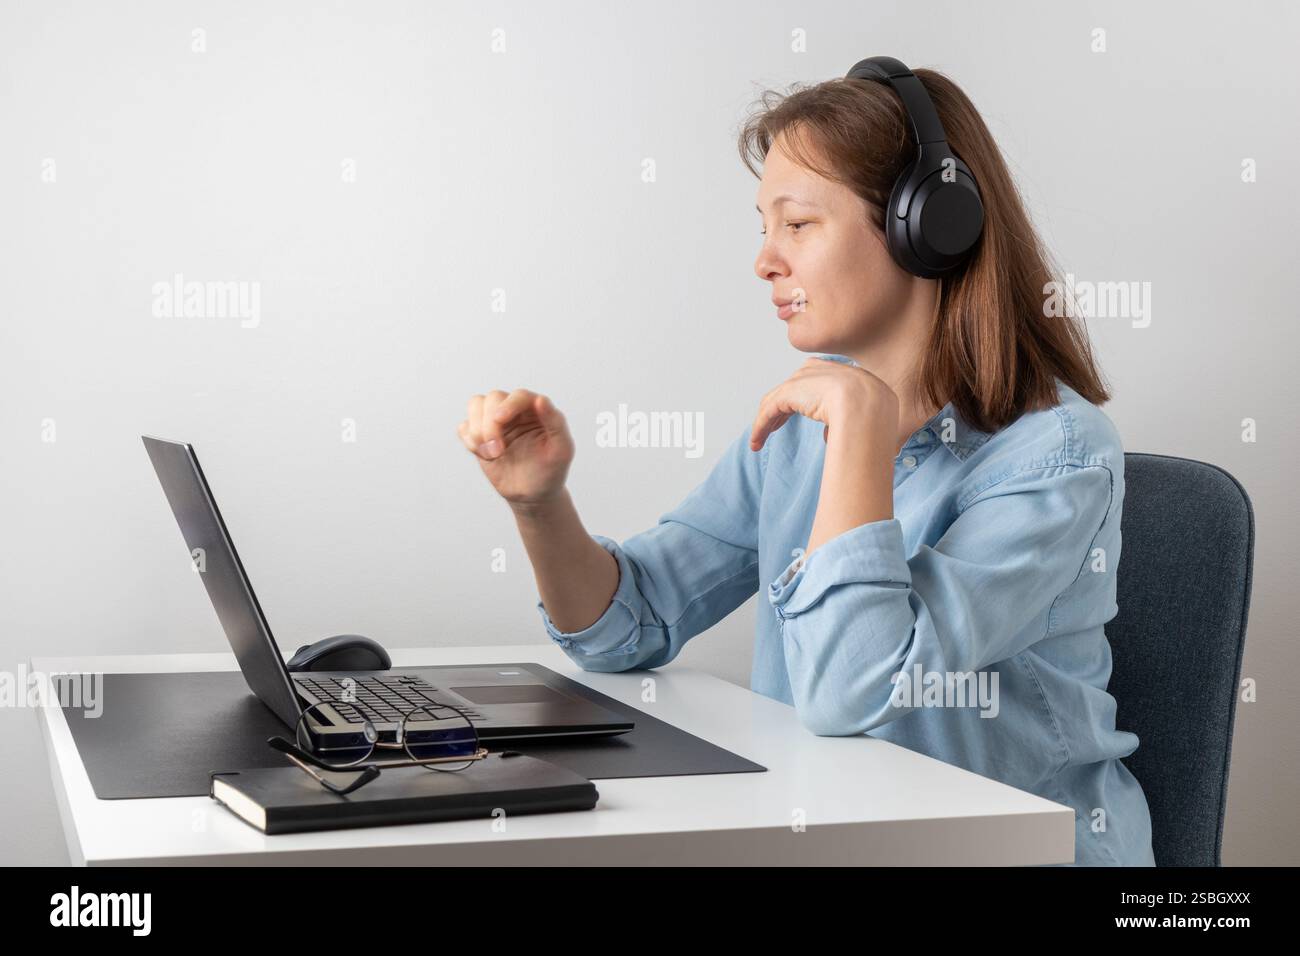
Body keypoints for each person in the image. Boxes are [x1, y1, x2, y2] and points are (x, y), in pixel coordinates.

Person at [456, 64, 1155, 866]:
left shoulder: (1055, 454)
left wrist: (862, 427)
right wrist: (541, 506)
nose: (765, 260)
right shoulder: (799, 429)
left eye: (796, 225)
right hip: (831, 836)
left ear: (928, 227)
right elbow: (631, 625)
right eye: (763, 227)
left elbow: (854, 690)